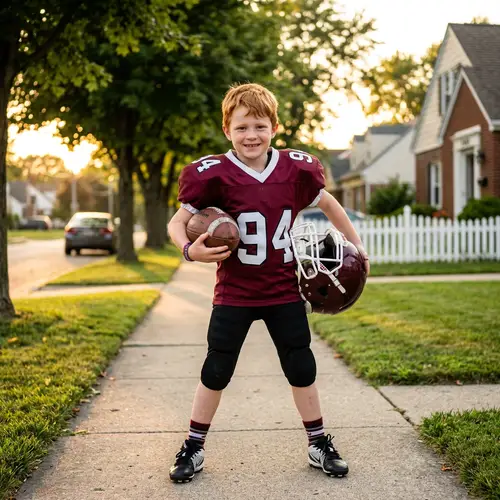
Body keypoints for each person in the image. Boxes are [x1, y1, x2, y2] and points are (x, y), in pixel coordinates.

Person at [167, 82, 369, 483]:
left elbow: (329, 204)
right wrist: (190, 251)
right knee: (216, 369)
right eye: (241, 128)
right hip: (234, 292)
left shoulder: (295, 169)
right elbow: (177, 223)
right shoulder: (213, 173)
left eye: (259, 126)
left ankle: (317, 442)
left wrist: (358, 248)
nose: (251, 136)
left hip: (282, 289)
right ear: (228, 130)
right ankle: (193, 445)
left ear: (274, 127)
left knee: (301, 365)